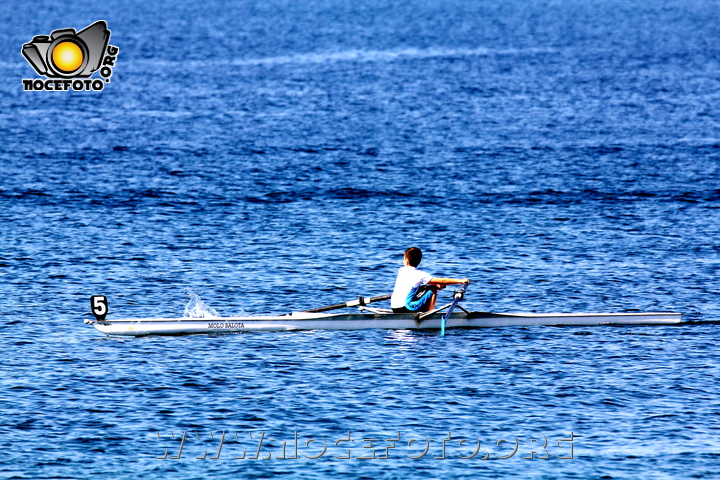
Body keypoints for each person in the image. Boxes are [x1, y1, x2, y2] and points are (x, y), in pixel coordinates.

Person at [390, 247, 470, 313]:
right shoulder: (419, 274)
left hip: (394, 307)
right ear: (419, 261)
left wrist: (435, 284)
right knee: (432, 289)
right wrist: (460, 281)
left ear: (406, 261)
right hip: (406, 308)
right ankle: (429, 315)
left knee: (425, 287)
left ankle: (423, 311)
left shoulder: (401, 270)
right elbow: (443, 281)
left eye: (403, 258)